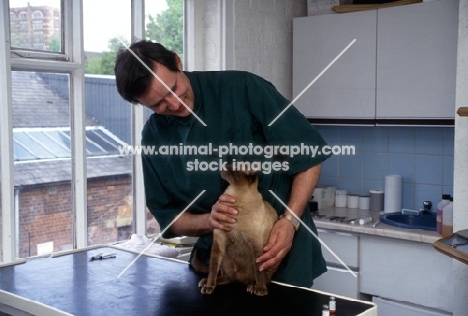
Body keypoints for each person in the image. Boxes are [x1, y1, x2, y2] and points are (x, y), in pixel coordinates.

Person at [114, 40, 331, 287]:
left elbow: (309, 157)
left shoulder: (243, 89)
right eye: (158, 104)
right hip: (220, 267)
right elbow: (169, 217)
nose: (174, 104)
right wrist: (210, 220)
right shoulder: (154, 137)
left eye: (173, 88)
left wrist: (290, 221)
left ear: (177, 61)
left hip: (281, 258)